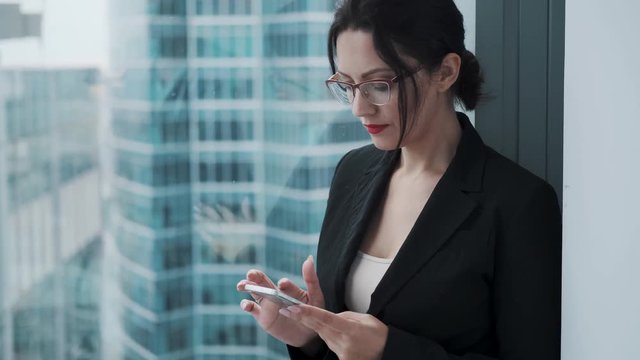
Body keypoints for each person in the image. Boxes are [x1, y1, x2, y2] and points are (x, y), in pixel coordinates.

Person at [236, 0, 562, 359]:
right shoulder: (352, 172)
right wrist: (311, 335)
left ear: (445, 72)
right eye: (347, 85)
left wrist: (389, 350)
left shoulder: (519, 203)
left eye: (378, 84)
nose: (359, 107)